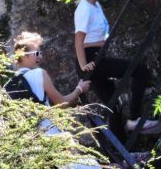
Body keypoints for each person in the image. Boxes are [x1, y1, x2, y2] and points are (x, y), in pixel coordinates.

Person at [74, 0, 161, 135]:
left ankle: (121, 150)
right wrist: (83, 65)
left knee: (113, 103)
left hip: (96, 56)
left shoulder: (95, 5)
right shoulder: (84, 8)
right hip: (90, 60)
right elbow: (79, 40)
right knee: (139, 70)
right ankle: (135, 119)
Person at [8, 32, 101, 169]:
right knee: (88, 165)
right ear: (23, 55)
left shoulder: (11, 83)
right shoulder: (39, 73)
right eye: (36, 53)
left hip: (30, 139)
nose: (40, 56)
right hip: (49, 132)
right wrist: (79, 89)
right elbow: (62, 103)